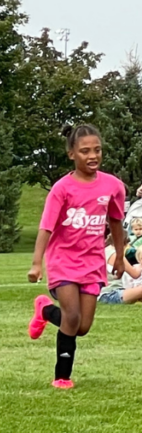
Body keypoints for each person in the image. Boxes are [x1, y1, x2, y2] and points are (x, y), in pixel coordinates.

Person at [28, 124, 126, 389]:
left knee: (82, 327)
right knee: (71, 317)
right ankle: (62, 377)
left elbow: (116, 222)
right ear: (71, 153)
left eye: (97, 150)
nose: (92, 156)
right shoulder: (62, 189)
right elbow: (46, 226)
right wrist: (37, 263)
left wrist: (119, 255)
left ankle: (45, 310)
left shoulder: (113, 186)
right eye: (85, 151)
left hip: (92, 264)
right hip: (63, 261)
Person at [99, 238, 142, 305]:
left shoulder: (104, 251)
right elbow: (135, 274)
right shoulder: (115, 254)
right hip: (111, 293)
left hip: (103, 293)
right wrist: (140, 266)